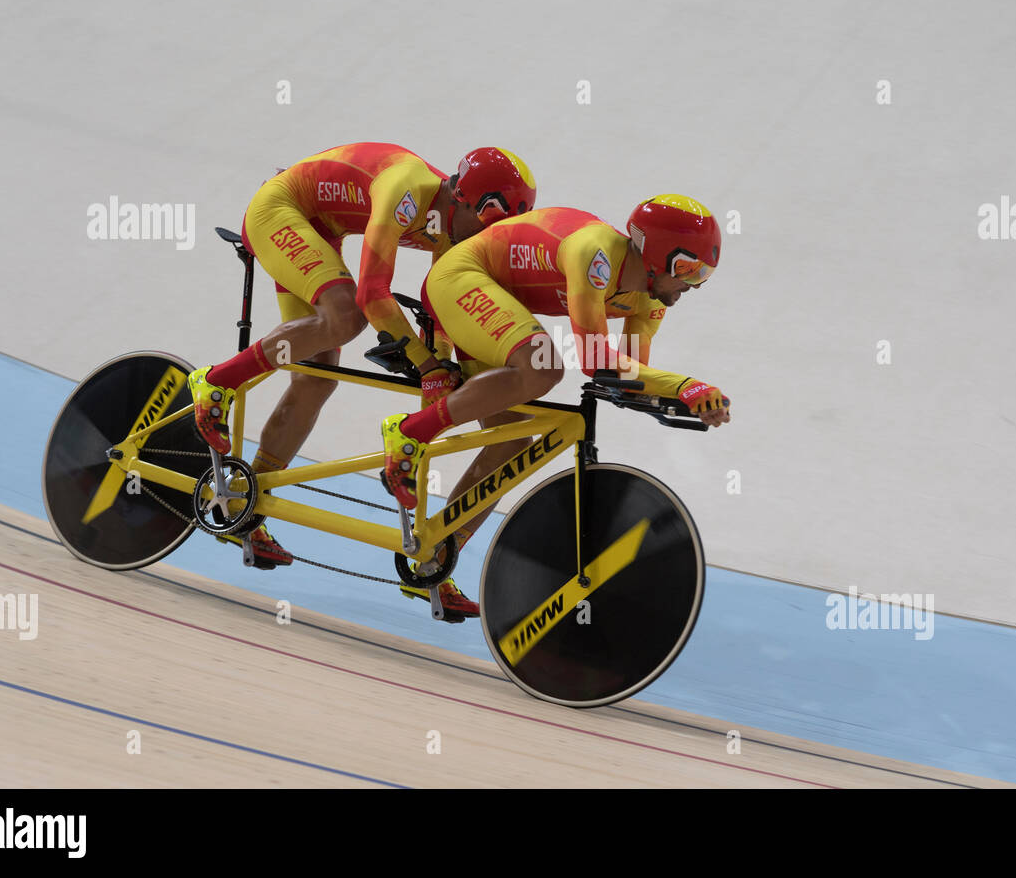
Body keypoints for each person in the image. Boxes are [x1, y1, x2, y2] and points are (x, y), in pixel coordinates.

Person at [187, 143, 535, 595]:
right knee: (345, 317)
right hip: (282, 210)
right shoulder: (406, 188)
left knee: (315, 380)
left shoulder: (455, 229)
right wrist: (426, 362)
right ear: (470, 200)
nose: (487, 238)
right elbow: (373, 292)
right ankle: (216, 383)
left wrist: (440, 363)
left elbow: (440, 304)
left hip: (322, 229)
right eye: (491, 225)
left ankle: (245, 509)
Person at [379, 196, 731, 617]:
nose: (693, 285)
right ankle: (410, 432)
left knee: (510, 444)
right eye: (688, 270)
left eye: (705, 275)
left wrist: (688, 401)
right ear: (655, 252)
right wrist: (687, 385)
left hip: (497, 295)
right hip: (461, 277)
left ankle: (431, 561)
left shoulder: (651, 300)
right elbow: (597, 359)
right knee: (543, 365)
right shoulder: (595, 253)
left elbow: (628, 375)